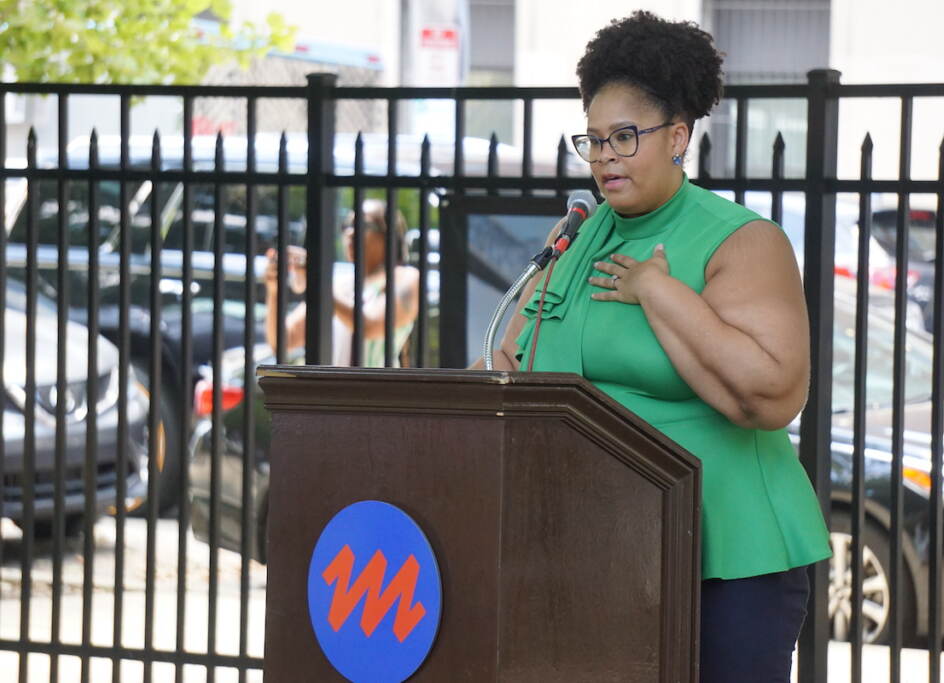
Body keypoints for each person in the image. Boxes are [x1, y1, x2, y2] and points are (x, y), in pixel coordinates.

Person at [474, 11, 831, 682]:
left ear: (677, 136)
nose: (604, 155)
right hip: (595, 545)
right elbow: (510, 361)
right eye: (594, 139)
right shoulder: (577, 236)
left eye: (625, 137)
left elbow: (773, 391)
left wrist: (662, 294)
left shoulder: (741, 240)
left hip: (727, 557)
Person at [264, 198, 419, 367]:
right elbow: (284, 340)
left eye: (363, 226)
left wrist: (318, 280)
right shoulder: (342, 284)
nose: (350, 233)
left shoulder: (406, 277)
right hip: (334, 392)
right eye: (348, 226)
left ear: (388, 236)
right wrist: (274, 290)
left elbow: (369, 326)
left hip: (377, 392)